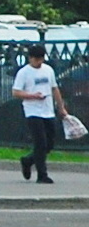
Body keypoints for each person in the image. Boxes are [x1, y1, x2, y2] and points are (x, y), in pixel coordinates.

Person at [14, 44, 71, 184]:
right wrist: (32, 96)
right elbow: (16, 92)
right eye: (36, 59)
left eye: (41, 59)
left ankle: (28, 160)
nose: (39, 62)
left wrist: (61, 107)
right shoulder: (24, 73)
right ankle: (42, 174)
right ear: (30, 58)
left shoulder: (48, 70)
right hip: (33, 111)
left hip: (48, 111)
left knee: (50, 143)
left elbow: (54, 89)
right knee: (40, 143)